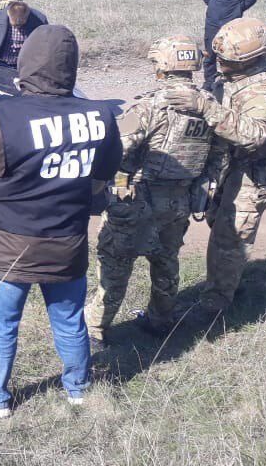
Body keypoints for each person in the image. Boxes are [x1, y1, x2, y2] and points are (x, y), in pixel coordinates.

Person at [0, 25, 123, 418]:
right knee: (68, 320)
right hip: (67, 241)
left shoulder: (0, 118)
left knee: (2, 325)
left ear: (25, 64)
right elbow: (105, 173)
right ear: (72, 67)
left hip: (8, 246)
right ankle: (78, 389)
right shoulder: (100, 115)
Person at [85, 36, 220, 344]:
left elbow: (116, 152)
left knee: (116, 264)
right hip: (179, 202)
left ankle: (95, 326)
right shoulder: (208, 106)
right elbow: (217, 157)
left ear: (163, 65)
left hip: (136, 199)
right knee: (166, 261)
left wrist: (112, 187)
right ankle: (161, 319)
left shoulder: (151, 106)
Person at [163, 18, 266, 323]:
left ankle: (215, 307)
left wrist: (204, 106)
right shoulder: (246, 73)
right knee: (219, 224)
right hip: (232, 166)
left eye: (227, 61)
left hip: (253, 173)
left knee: (230, 239)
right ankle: (229, 283)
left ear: (250, 60)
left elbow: (253, 134)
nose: (219, 64)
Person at [201, 0, 258, 90]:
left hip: (233, 23)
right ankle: (209, 82)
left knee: (234, 51)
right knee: (210, 53)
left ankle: (233, 80)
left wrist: (237, 9)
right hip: (213, 21)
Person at [0, 0, 48, 69]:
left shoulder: (40, 20)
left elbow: (43, 44)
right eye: (14, 25)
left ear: (27, 15)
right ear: (8, 13)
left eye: (21, 25)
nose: (17, 28)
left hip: (23, 66)